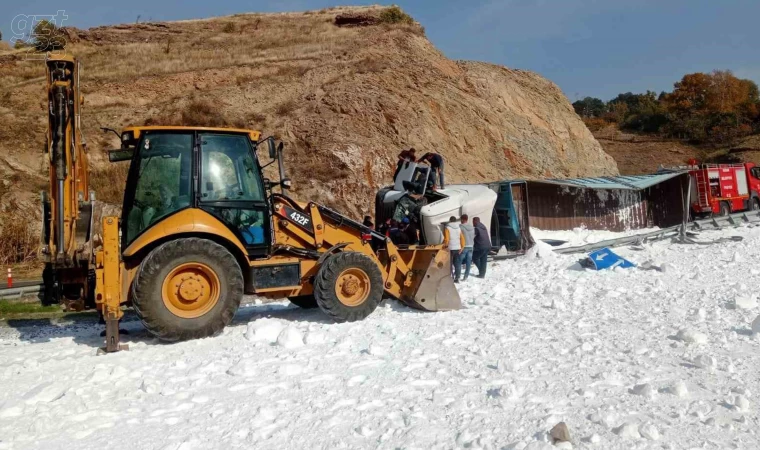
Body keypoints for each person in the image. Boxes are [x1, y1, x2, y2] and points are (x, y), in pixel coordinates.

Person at [443, 216, 465, 283]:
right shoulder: (458, 228)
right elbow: (462, 238)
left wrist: (445, 246)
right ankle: (457, 278)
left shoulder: (447, 228)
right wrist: (462, 247)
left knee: (449, 263)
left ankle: (449, 277)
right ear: (455, 221)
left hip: (450, 248)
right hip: (458, 248)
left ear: (450, 221)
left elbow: (447, 239)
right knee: (457, 264)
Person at [459, 214, 475, 281]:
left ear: (462, 219)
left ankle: (458, 275)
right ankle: (466, 276)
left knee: (459, 261)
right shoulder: (472, 228)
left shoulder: (460, 227)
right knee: (468, 262)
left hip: (464, 246)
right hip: (471, 246)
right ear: (467, 219)